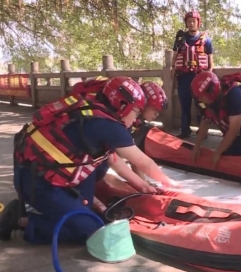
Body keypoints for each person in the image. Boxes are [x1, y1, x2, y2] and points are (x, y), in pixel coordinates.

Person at [0, 76, 179, 244]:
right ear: (123, 105)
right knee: (92, 230)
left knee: (96, 177)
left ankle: (70, 207)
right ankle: (21, 221)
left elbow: (112, 159)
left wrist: (143, 187)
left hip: (35, 171)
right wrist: (170, 183)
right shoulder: (106, 125)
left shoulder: (95, 108)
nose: (135, 117)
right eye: (136, 111)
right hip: (39, 184)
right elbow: (142, 162)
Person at [190, 71, 241, 168]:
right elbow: (205, 121)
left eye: (201, 97)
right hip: (236, 132)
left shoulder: (235, 94)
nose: (200, 100)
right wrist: (197, 146)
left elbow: (234, 130)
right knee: (228, 157)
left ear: (210, 91)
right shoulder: (208, 101)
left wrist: (217, 152)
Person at [171, 10, 214, 138]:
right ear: (186, 23)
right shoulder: (180, 39)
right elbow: (174, 58)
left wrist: (209, 76)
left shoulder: (206, 40)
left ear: (198, 23)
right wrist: (173, 74)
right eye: (189, 21)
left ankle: (203, 131)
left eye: (193, 21)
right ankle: (185, 130)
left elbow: (211, 62)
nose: (191, 23)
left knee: (201, 105)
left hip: (199, 77)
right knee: (185, 105)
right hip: (184, 77)